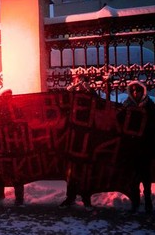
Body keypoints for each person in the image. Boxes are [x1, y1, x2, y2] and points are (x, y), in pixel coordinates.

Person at [120, 81, 155, 214]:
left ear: (142, 91)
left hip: (145, 145)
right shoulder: (127, 105)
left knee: (145, 175)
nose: (135, 93)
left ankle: (148, 200)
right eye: (133, 91)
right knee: (133, 176)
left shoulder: (149, 105)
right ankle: (135, 201)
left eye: (138, 91)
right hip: (132, 146)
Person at [59, 74, 98, 210]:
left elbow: (100, 107)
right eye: (77, 82)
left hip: (86, 140)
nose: (79, 84)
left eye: (82, 82)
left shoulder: (90, 96)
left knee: (85, 171)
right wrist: (68, 91)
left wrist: (90, 91)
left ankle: (86, 198)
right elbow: (61, 107)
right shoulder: (72, 96)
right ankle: (70, 197)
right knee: (71, 172)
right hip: (73, 140)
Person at [0, 88, 25, 206]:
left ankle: (19, 198)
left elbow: (22, 123)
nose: (8, 98)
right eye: (6, 96)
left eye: (9, 96)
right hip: (0, 145)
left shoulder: (15, 108)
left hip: (12, 145)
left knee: (15, 172)